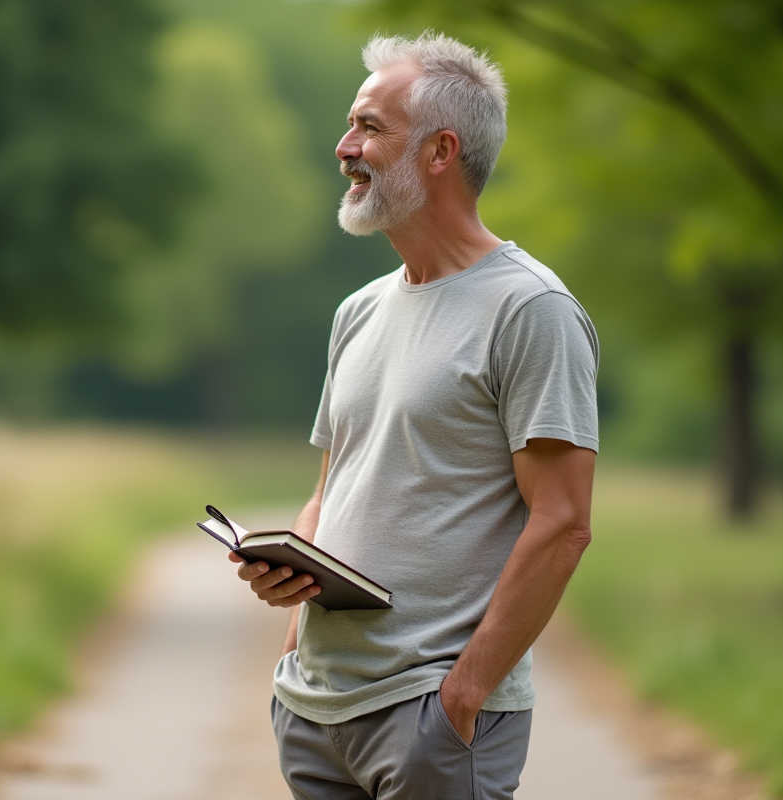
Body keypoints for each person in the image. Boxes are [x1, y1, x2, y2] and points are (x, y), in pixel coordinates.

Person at [229, 31, 599, 799]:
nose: (344, 146)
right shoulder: (357, 312)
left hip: (431, 715)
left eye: (368, 127)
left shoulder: (531, 310)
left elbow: (562, 521)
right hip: (313, 708)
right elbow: (333, 490)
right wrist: (289, 584)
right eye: (350, 125)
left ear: (440, 152)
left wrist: (463, 696)